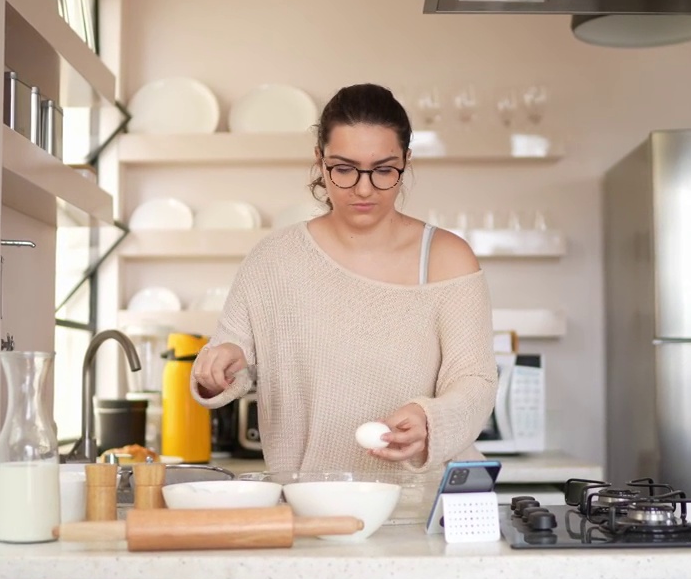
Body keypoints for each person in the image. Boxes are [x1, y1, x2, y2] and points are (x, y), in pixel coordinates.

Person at [190, 83, 497, 474]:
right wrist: (219, 369)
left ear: (406, 160)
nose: (364, 188)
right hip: (310, 504)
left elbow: (475, 381)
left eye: (384, 170)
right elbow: (227, 363)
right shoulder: (273, 261)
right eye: (345, 169)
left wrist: (430, 419)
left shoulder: (446, 257)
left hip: (428, 508)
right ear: (320, 160)